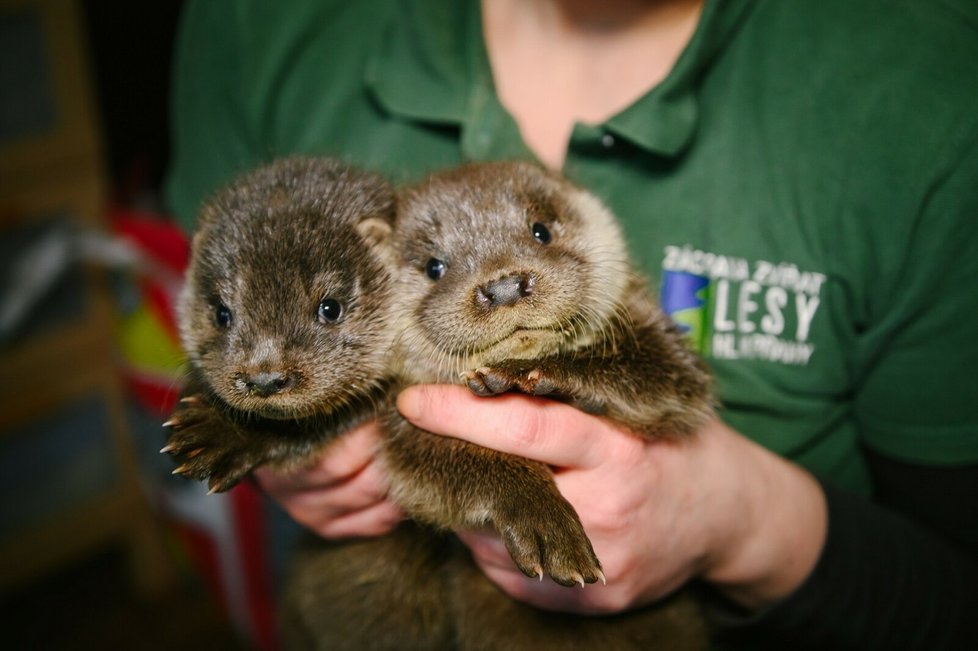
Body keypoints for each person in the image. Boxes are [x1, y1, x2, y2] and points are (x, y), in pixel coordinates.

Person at [165, 0, 978, 647]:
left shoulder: (927, 92)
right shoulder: (259, 21)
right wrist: (268, 422)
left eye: (541, 241)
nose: (505, 288)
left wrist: (736, 518)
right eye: (440, 270)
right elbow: (228, 317)